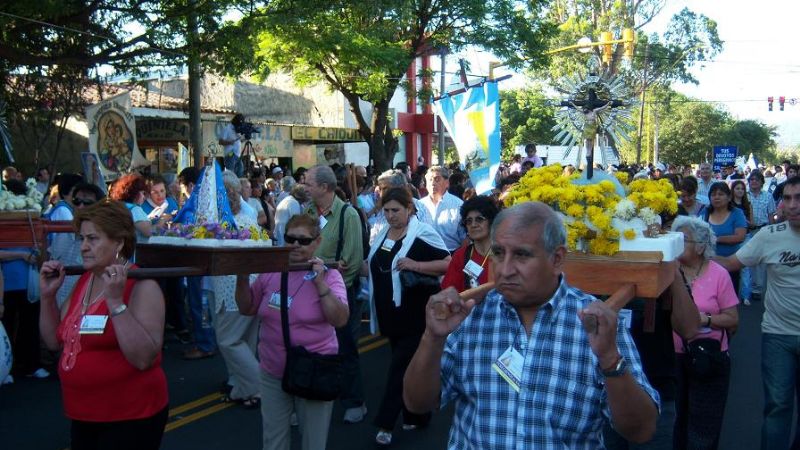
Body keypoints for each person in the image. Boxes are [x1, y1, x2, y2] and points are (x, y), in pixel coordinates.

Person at [403, 202, 659, 448]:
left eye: (522, 255)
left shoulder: (595, 323)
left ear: (557, 259)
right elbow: (417, 403)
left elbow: (641, 430)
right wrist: (432, 338)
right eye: (499, 253)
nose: (505, 269)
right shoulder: (469, 315)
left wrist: (610, 360)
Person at [38, 200, 168, 450]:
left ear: (119, 242)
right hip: (83, 413)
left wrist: (116, 302)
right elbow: (55, 341)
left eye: (93, 239)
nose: (84, 247)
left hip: (130, 416)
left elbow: (143, 358)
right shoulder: (85, 281)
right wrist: (46, 297)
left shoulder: (142, 286)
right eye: (82, 239)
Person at [234, 214, 349, 450]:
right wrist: (242, 278)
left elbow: (339, 319)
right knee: (273, 441)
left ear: (317, 242)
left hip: (314, 369)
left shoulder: (330, 275)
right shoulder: (270, 272)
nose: (296, 245)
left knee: (313, 443)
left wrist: (320, 285)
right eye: (290, 239)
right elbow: (247, 308)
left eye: (304, 240)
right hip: (273, 370)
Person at [714, 176, 800, 450]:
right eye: (786, 199)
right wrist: (690, 251)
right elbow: (730, 263)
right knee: (778, 407)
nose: (792, 205)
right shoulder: (768, 236)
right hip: (778, 335)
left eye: (798, 198)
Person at [366, 187, 451, 445]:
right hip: (390, 315)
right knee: (409, 367)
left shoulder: (422, 233)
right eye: (387, 211)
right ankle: (418, 415)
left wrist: (416, 265)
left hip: (415, 315)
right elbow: (375, 267)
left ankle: (385, 423)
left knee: (398, 369)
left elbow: (448, 262)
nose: (391, 215)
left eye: (396, 210)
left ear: (410, 209)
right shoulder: (382, 235)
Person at [303, 164, 366, 423]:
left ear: (324, 187)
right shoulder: (307, 211)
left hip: (339, 290)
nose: (304, 187)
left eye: (308, 183)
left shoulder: (347, 215)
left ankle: (354, 401)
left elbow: (352, 259)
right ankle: (313, 394)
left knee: (344, 347)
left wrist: (328, 276)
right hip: (309, 287)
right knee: (312, 346)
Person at [670, 216, 739, 449]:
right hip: (674, 357)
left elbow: (733, 320)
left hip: (709, 358)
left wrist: (705, 319)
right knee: (675, 420)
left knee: (704, 426)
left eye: (684, 239)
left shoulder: (719, 274)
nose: (677, 243)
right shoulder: (668, 272)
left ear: (701, 246)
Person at [208, 170, 261, 407]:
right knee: (246, 342)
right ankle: (244, 390)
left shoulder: (223, 223)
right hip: (250, 286)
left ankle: (261, 388)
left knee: (228, 340)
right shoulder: (247, 218)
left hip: (234, 290)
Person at [441, 195, 499, 292]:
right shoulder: (460, 255)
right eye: (469, 221)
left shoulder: (504, 252)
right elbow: (449, 293)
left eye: (479, 219)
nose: (473, 225)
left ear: (491, 222)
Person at [702, 182, 747, 290]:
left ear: (729, 197)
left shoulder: (737, 213)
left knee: (728, 299)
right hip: (707, 264)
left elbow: (740, 237)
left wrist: (716, 239)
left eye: (721, 194)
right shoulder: (705, 212)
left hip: (730, 265)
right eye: (713, 195)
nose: (716, 197)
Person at [420, 166, 466, 252]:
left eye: (437, 179)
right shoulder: (419, 205)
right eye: (430, 180)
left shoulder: (458, 205)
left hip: (451, 254)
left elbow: (464, 238)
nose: (433, 183)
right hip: (423, 255)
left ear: (447, 183)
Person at [109, 174, 152, 240]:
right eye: (143, 193)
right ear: (135, 192)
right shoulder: (135, 209)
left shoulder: (119, 206)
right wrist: (162, 221)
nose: (144, 197)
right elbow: (148, 232)